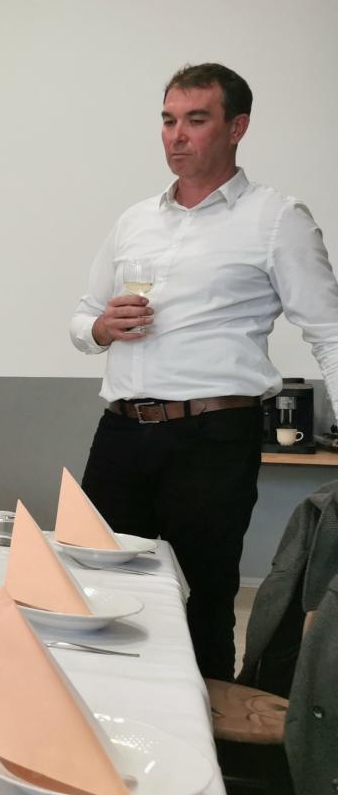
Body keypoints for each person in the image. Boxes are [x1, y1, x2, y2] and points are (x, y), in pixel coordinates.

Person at [70, 63, 338, 681]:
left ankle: (205, 734)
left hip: (212, 438)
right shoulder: (134, 220)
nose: (177, 135)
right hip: (121, 432)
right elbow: (83, 319)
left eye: (196, 120)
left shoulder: (277, 218)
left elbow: (328, 332)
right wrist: (102, 327)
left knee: (202, 598)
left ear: (237, 127)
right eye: (168, 120)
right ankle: (106, 714)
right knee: (94, 586)